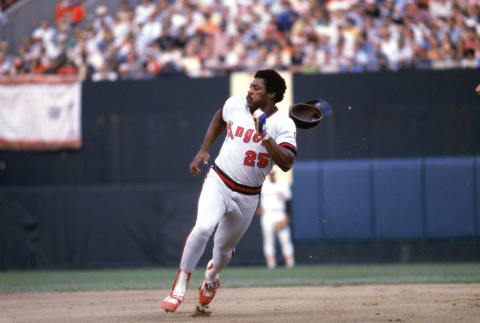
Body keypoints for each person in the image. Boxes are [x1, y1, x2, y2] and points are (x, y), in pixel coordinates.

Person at [161, 69, 297, 314]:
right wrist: (204, 149)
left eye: (257, 88)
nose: (250, 90)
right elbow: (219, 117)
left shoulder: (283, 124)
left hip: (248, 195)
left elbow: (287, 162)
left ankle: (211, 278)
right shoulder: (235, 104)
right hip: (219, 181)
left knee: (222, 252)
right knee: (202, 227)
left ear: (272, 94)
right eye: (251, 86)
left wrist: (265, 135)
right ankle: (179, 287)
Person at [257, 170, 295, 269]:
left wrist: (287, 217)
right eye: (270, 173)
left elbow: (289, 202)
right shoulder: (263, 184)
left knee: (285, 239)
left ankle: (290, 263)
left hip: (280, 214)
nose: (271, 174)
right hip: (268, 214)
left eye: (273, 173)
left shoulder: (282, 184)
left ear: (275, 174)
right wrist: (258, 209)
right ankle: (271, 264)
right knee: (268, 240)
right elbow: (255, 197)